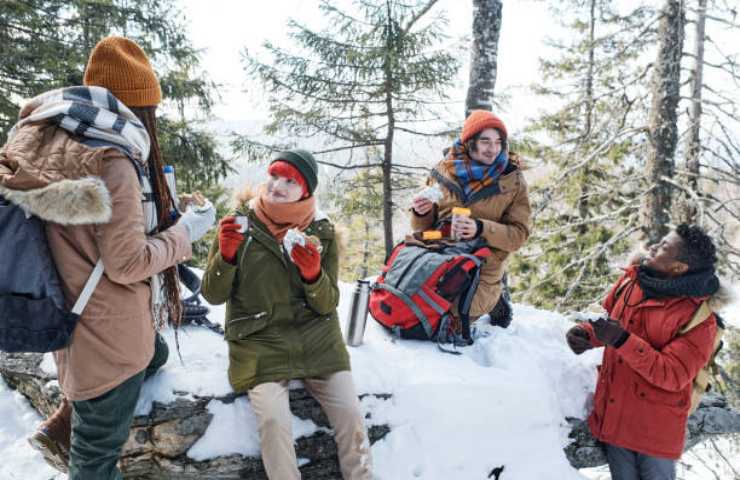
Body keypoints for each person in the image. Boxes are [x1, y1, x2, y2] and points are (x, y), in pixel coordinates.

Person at [0, 36, 215, 478]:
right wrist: (187, 230)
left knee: (153, 356)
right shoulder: (113, 157)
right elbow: (127, 264)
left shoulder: (42, 134)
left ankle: (65, 419)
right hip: (107, 334)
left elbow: (85, 230)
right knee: (94, 463)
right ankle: (74, 423)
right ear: (140, 106)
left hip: (62, 307)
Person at [201, 149, 372, 480]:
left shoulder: (322, 231)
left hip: (317, 339)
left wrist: (312, 275)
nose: (277, 185)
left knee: (351, 415)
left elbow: (327, 303)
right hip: (259, 341)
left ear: (306, 191)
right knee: (274, 420)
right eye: (275, 175)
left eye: (290, 181)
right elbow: (212, 294)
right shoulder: (239, 223)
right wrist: (226, 255)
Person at [566, 224, 723, 480]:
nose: (652, 247)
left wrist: (621, 339)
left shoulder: (700, 319)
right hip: (615, 419)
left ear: (679, 268)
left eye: (664, 248)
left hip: (654, 434)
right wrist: (587, 334)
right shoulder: (632, 280)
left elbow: (672, 374)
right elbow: (610, 320)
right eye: (659, 241)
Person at [410, 110, 531, 328]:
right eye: (485, 141)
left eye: (498, 142)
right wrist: (422, 212)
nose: (493, 149)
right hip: (441, 252)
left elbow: (519, 236)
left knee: (451, 321)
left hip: (483, 261)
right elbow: (423, 229)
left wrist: (480, 228)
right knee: (414, 308)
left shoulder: (512, 181)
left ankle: (495, 298)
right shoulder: (443, 169)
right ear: (469, 142)